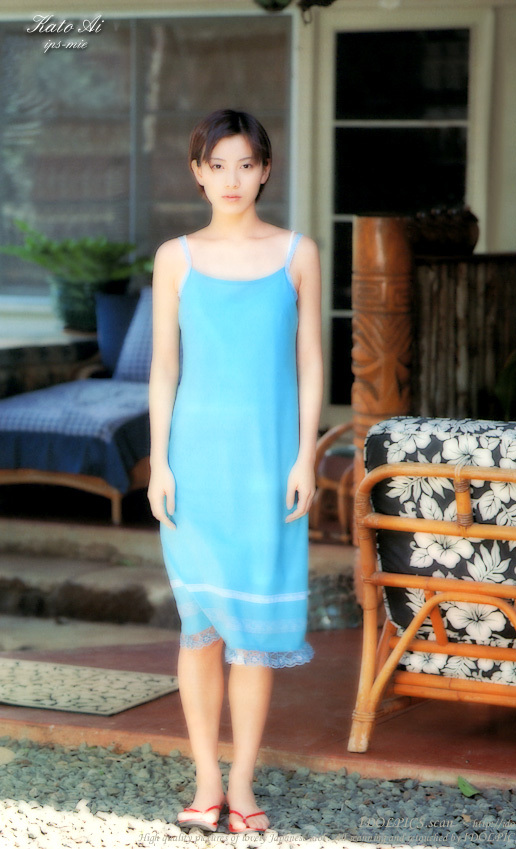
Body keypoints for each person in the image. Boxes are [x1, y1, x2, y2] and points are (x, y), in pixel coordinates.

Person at [148, 109, 323, 835]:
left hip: (268, 468)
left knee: (253, 632)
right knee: (200, 628)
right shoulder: (175, 258)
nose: (231, 179)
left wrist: (305, 455)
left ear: (265, 169)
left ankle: (244, 784)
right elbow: (164, 368)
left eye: (245, 164)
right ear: (197, 172)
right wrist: (159, 463)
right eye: (217, 165)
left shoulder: (298, 254)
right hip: (194, 468)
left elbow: (311, 362)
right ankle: (206, 781)